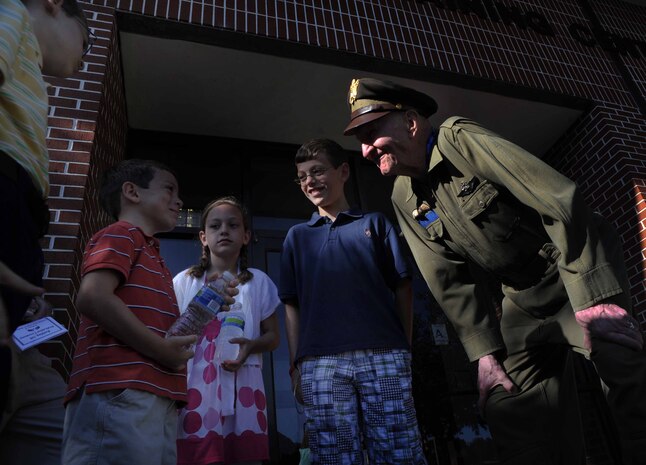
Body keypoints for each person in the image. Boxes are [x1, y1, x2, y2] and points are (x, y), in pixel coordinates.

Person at [342, 77, 646, 465]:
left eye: (372, 133)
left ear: (411, 122)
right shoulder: (404, 196)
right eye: (360, 141)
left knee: (621, 364)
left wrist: (593, 296)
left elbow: (558, 199)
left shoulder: (459, 140)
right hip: (520, 294)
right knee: (505, 397)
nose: (366, 150)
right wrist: (484, 354)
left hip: (569, 267)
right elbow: (447, 281)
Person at [279, 138, 427, 465]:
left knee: (398, 452)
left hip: (384, 353)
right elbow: (292, 305)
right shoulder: (296, 237)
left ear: (343, 171)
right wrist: (295, 366)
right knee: (334, 456)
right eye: (302, 176)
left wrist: (404, 346)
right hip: (320, 362)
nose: (309, 182)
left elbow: (403, 288)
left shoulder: (375, 224)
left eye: (317, 171)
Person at [61, 159, 211, 465]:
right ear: (132, 192)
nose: (179, 200)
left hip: (155, 397)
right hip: (120, 389)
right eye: (169, 189)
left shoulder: (153, 255)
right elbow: (93, 297)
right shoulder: (120, 234)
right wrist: (161, 350)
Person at [0, 1, 90, 463]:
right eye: (83, 39)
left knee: (66, 442)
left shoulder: (29, 73)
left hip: (20, 321)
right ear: (54, 5)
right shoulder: (12, 12)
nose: (83, 57)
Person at [173, 196, 280, 465]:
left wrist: (251, 347)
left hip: (243, 384)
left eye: (233, 225)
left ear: (246, 236)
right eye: (215, 226)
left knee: (242, 455)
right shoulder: (185, 281)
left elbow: (273, 336)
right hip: (194, 385)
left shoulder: (258, 281)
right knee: (196, 455)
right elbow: (171, 332)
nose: (223, 231)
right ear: (203, 237)